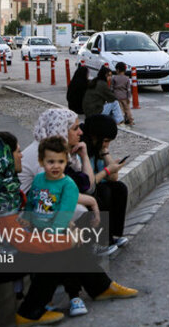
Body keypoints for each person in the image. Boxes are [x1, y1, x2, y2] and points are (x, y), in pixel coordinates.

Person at [0, 132, 138, 327]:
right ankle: (30, 312)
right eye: (17, 152)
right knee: (59, 250)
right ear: (5, 157)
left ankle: (101, 286)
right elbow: (23, 242)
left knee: (61, 237)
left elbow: (22, 219)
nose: (21, 156)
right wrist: (67, 241)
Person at [19, 109, 119, 256]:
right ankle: (83, 251)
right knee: (80, 208)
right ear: (60, 130)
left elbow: (89, 186)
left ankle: (94, 245)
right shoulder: (42, 153)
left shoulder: (64, 151)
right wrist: (92, 202)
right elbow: (54, 193)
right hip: (28, 211)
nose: (80, 133)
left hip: (45, 202)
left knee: (103, 193)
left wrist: (84, 156)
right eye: (75, 128)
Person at [82, 114, 129, 249]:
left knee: (119, 188)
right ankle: (103, 240)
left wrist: (105, 152)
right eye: (106, 140)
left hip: (97, 185)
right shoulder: (83, 150)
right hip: (85, 190)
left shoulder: (98, 147)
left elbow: (114, 178)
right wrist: (107, 171)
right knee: (104, 191)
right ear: (95, 136)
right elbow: (88, 184)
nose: (107, 144)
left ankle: (114, 235)